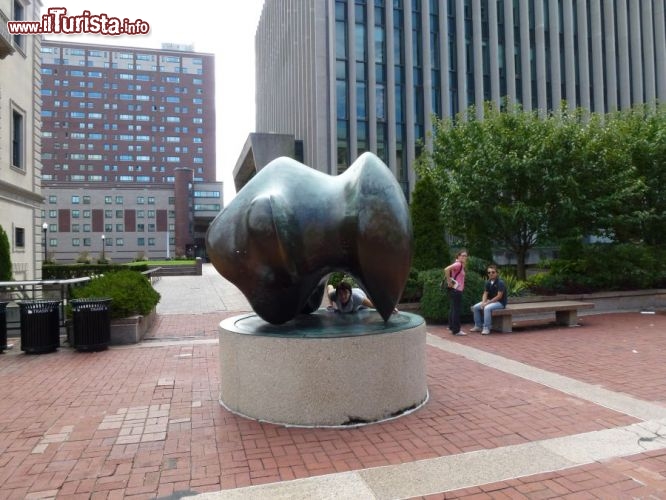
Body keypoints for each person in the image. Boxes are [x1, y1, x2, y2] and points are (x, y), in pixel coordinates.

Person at [470, 265, 507, 335]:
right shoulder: (488, 282)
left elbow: (499, 296)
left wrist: (487, 303)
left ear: (497, 273)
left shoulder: (500, 283)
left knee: (486, 308)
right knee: (475, 307)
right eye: (489, 272)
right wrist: (483, 302)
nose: (491, 274)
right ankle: (478, 326)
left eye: (493, 272)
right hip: (490, 301)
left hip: (500, 303)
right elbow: (485, 293)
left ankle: (486, 328)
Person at [327, 281, 399, 314]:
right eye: (340, 294)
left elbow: (373, 305)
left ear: (350, 293)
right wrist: (331, 304)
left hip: (360, 294)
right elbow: (329, 286)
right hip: (351, 299)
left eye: (345, 293)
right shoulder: (333, 294)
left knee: (365, 308)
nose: (343, 296)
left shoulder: (357, 298)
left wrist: (388, 308)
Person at [444, 249, 468, 336]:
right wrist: (449, 281)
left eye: (465, 256)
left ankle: (452, 327)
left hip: (455, 289)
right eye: (462, 255)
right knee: (456, 310)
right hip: (457, 290)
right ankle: (457, 330)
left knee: (453, 309)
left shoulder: (460, 264)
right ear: (458, 256)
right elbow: (446, 269)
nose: (464, 257)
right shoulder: (458, 264)